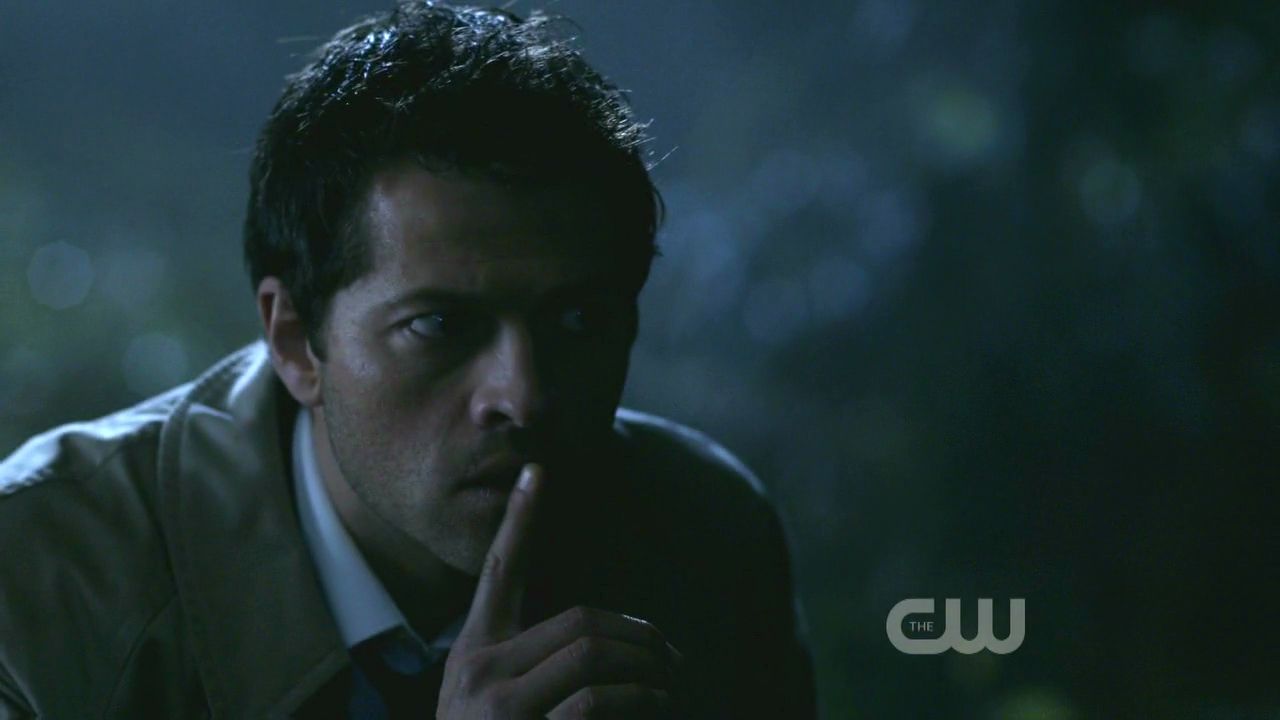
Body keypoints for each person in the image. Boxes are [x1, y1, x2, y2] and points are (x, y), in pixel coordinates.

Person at [0, 2, 816, 718]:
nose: (522, 395)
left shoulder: (706, 536)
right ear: (296, 343)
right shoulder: (41, 578)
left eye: (578, 319)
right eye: (439, 326)